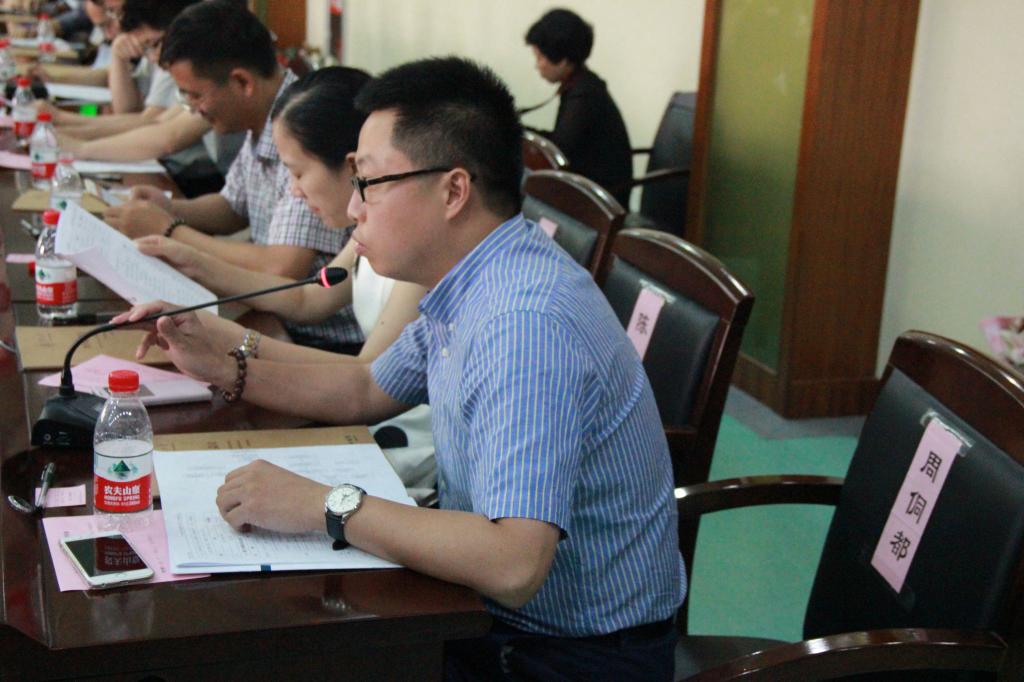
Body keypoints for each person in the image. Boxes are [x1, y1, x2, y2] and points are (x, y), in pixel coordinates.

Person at [119, 56, 683, 680]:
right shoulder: (473, 276)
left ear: (453, 191)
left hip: (565, 655)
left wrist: (322, 504)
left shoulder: (523, 323)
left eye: (370, 182)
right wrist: (226, 364)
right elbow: (365, 386)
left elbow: (514, 565)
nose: (354, 209)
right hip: (487, 615)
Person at [126, 66, 435, 498]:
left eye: (298, 173)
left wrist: (229, 348)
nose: (293, 191)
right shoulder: (368, 230)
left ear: (352, 165)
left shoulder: (417, 248)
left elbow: (368, 379)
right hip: (361, 417)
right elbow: (310, 298)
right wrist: (195, 264)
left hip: (403, 446)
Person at [105, 0, 360, 352]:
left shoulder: (303, 127)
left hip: (315, 339)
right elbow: (233, 206)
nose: (192, 108)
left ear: (242, 81)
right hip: (278, 316)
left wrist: (171, 231)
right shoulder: (264, 120)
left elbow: (281, 269)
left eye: (196, 95)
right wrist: (169, 209)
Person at [525, 8, 633, 206]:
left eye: (540, 57)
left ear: (563, 59)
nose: (537, 65)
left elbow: (559, 152)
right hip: (589, 186)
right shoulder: (582, 84)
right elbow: (561, 141)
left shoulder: (585, 93)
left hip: (601, 198)